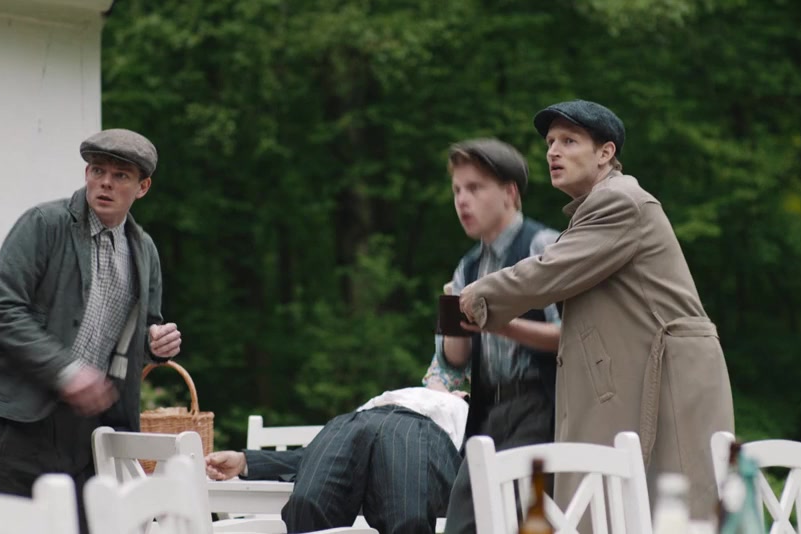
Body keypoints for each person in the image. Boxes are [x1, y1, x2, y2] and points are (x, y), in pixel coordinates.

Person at [458, 100, 735, 521]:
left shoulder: (619, 201)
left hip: (672, 382)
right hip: (643, 378)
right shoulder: (595, 210)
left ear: (606, 153)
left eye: (569, 141)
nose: (553, 151)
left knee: (677, 513)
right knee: (628, 510)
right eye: (550, 143)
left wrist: (478, 297)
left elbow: (550, 270)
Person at [0, 128, 183, 532]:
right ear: (87, 174)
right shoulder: (44, 224)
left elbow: (143, 329)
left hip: (83, 436)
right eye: (98, 171)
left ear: (143, 187)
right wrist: (66, 370)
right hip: (7, 423)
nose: (106, 183)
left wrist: (155, 345)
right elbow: (4, 310)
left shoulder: (144, 249)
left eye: (120, 175)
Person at [420, 138, 562, 534]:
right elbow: (454, 362)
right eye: (457, 190)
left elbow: (571, 337)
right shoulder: (468, 267)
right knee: (461, 525)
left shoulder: (543, 246)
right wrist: (453, 317)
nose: (462, 201)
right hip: (488, 414)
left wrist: (501, 324)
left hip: (541, 406)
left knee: (522, 524)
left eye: (475, 188)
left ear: (510, 193)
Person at [205, 386, 468, 534]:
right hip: (357, 419)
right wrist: (244, 461)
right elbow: (306, 457)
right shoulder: (399, 393)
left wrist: (465, 399)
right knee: (307, 503)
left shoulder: (468, 411)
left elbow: (477, 464)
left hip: (420, 428)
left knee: (407, 516)